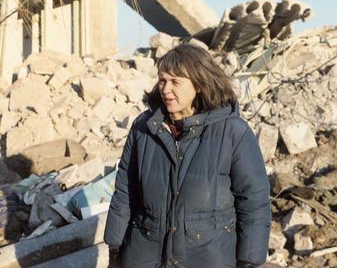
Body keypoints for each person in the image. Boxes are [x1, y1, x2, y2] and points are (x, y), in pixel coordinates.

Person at [104, 43, 271, 268]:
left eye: (175, 82)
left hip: (207, 256)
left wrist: (249, 260)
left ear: (199, 85)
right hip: (145, 252)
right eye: (162, 80)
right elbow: (125, 189)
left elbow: (253, 201)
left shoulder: (232, 132)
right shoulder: (143, 127)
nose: (165, 89)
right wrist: (114, 245)